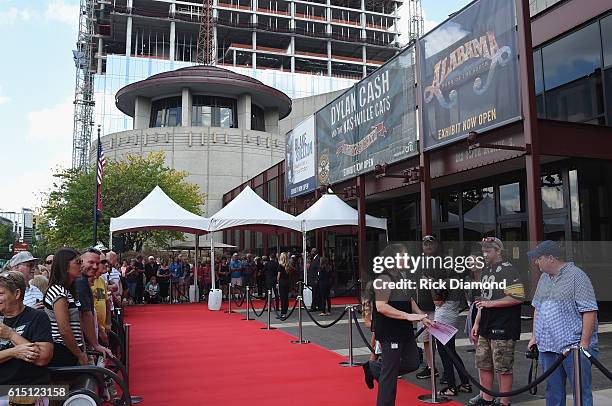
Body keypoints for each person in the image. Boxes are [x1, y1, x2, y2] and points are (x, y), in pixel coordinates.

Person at [527, 241, 599, 406]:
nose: (536, 262)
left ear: (550, 258)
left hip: (573, 347)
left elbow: (589, 311)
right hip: (548, 346)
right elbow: (538, 307)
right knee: (553, 392)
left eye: (538, 258)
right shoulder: (544, 278)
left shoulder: (577, 276)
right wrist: (534, 336)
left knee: (581, 393)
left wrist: (584, 345)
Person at [363, 244, 431, 406]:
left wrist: (421, 316)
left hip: (404, 330)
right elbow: (381, 306)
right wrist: (408, 315)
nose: (406, 259)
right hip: (390, 331)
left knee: (412, 362)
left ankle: (374, 368)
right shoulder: (384, 279)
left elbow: (409, 299)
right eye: (403, 256)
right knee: (389, 376)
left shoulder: (401, 276)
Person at [469, 237, 524, 406]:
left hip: (503, 325)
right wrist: (476, 323)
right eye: (483, 251)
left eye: (488, 251)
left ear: (498, 251)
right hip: (485, 324)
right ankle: (487, 398)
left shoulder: (510, 271)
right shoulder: (485, 271)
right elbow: (483, 300)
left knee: (503, 366)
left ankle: (504, 401)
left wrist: (490, 304)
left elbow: (518, 297)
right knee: (483, 363)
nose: (484, 254)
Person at [0, 270, 53, 385]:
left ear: (17, 294)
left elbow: (43, 358)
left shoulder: (37, 317)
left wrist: (11, 334)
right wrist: (13, 352)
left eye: (0, 293)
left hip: (29, 388)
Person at [431, 249, 471, 397]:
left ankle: (451, 386)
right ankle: (465, 382)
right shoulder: (457, 280)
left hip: (442, 318)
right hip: (453, 316)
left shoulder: (444, 282)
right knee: (452, 352)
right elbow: (463, 303)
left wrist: (431, 285)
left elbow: (437, 302)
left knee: (445, 353)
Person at [44, 248, 88, 366]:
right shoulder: (58, 291)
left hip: (71, 350)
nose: (82, 266)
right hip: (62, 352)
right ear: (65, 266)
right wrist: (80, 354)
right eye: (78, 262)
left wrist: (82, 351)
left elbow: (77, 326)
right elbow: (64, 330)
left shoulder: (68, 291)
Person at [76, 248, 113, 358]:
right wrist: (95, 344)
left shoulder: (86, 281)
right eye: (91, 262)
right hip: (82, 342)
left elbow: (105, 303)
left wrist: (106, 324)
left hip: (90, 337)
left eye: (98, 263)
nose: (96, 267)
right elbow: (85, 315)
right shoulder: (80, 282)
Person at [414, 235, 439, 380]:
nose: (428, 246)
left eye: (431, 244)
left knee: (437, 338)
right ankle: (431, 366)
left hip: (436, 306)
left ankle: (439, 367)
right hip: (422, 307)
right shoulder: (419, 264)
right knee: (425, 339)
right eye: (425, 244)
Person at [277, 253, 291, 317]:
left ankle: (283, 313)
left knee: (282, 298)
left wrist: (277, 281)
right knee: (286, 297)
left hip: (282, 282)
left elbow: (278, 276)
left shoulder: (280, 266)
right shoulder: (288, 265)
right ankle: (285, 312)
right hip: (287, 282)